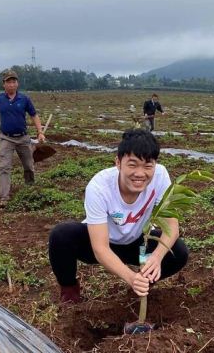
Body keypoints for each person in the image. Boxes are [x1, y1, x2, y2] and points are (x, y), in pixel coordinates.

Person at [48, 129, 189, 303]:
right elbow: (100, 248)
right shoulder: (99, 187)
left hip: (138, 245)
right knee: (61, 236)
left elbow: (172, 228)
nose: (140, 173)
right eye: (132, 164)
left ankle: (143, 283)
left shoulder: (160, 176)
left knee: (178, 251)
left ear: (155, 164)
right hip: (102, 242)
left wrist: (156, 257)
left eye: (147, 166)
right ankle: (69, 293)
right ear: (118, 163)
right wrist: (130, 277)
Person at [0, 69, 45, 208]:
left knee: (29, 165)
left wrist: (40, 132)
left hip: (23, 138)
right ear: (3, 84)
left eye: (14, 82)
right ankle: (4, 198)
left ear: (17, 84)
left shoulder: (24, 99)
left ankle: (30, 189)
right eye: (8, 82)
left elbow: (34, 115)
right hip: (6, 138)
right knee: (4, 167)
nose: (11, 85)